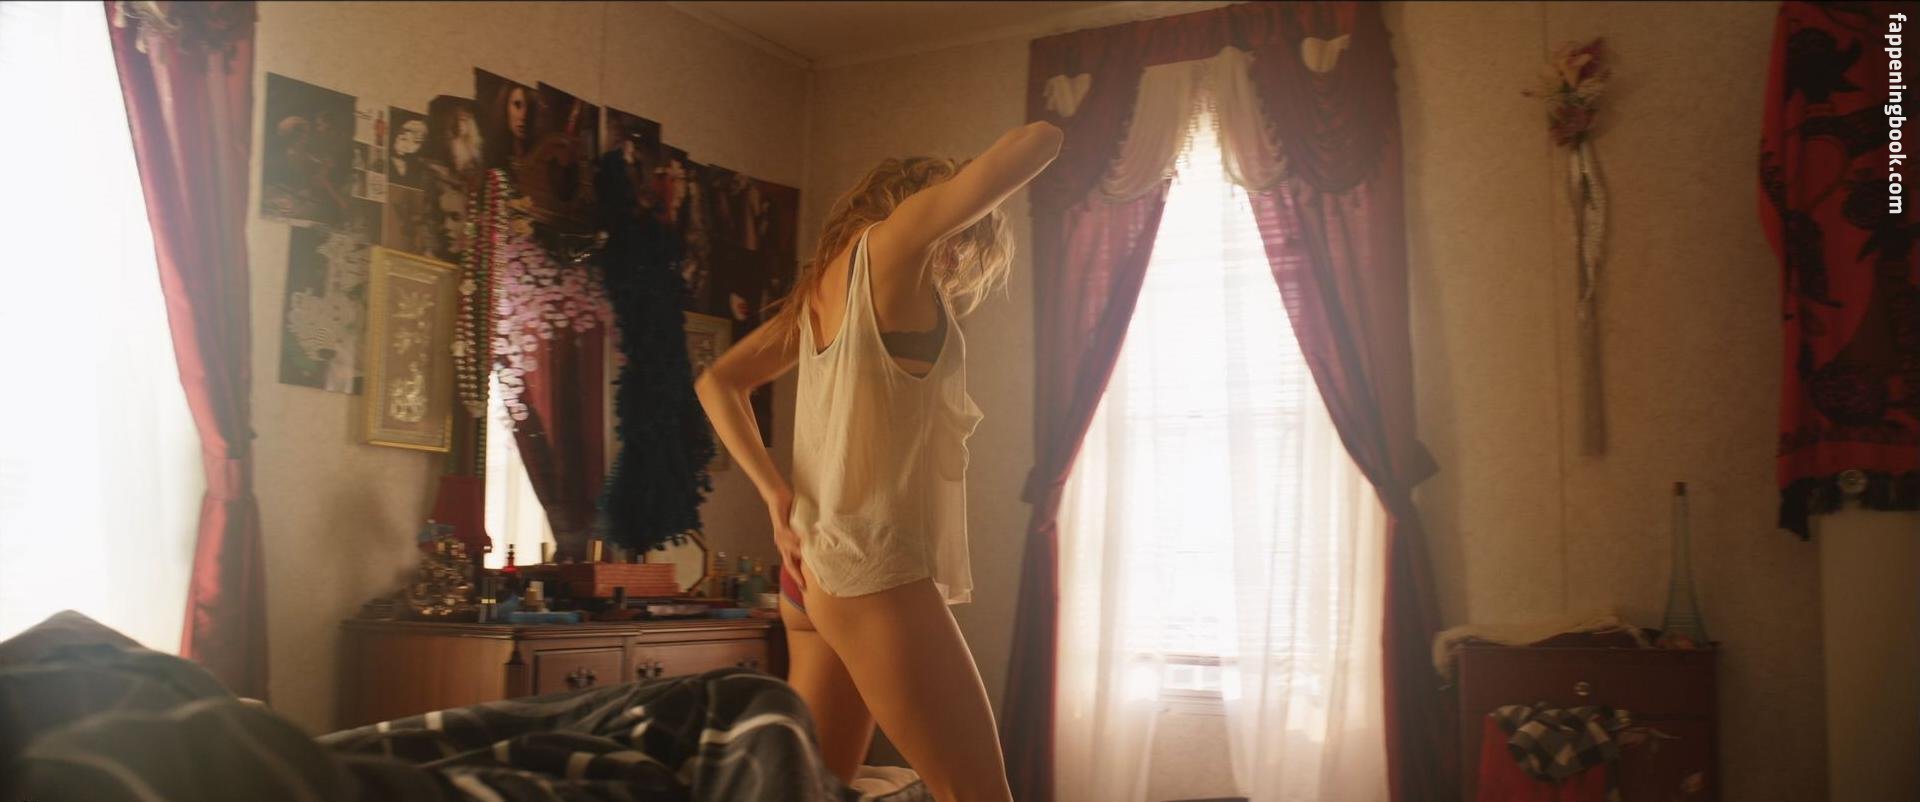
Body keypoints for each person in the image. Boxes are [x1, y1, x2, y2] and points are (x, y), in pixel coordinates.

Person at [693, 120, 1062, 802]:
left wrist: (775, 495)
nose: (961, 256)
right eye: (962, 234)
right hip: (872, 571)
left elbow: (719, 382)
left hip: (813, 572)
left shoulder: (822, 295)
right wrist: (949, 198)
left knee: (814, 790)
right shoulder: (894, 244)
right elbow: (1041, 138)